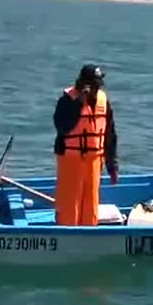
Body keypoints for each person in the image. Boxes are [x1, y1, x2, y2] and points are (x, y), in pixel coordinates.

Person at [53, 64, 119, 226]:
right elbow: (62, 126)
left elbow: (109, 135)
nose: (98, 89)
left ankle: (89, 232)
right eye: (95, 85)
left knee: (90, 204)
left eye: (99, 85)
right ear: (85, 85)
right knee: (70, 204)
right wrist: (79, 104)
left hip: (94, 162)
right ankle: (66, 232)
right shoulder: (67, 101)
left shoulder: (104, 101)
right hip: (71, 161)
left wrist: (112, 166)